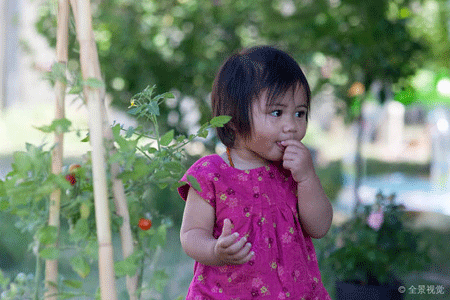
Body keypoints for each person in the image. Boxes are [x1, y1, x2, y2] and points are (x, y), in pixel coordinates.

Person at [178, 45, 333, 299]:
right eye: (276, 112)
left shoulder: (292, 171)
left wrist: (307, 178)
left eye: (300, 113)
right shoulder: (211, 174)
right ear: (234, 117)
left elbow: (320, 226)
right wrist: (215, 250)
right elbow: (191, 234)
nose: (291, 126)